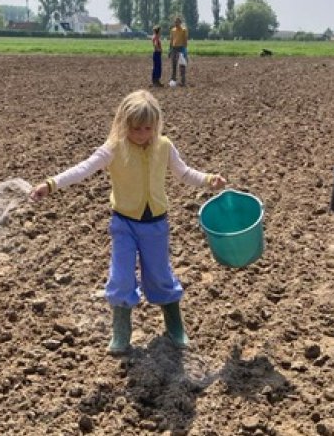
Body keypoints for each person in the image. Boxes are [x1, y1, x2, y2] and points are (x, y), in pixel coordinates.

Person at [30, 90, 226, 354]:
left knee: (159, 275)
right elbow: (83, 168)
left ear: (156, 125)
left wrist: (208, 179)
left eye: (148, 128)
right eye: (135, 129)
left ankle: (174, 326)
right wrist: (50, 185)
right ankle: (121, 331)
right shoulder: (114, 148)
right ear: (123, 124)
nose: (142, 134)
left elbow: (184, 173)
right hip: (124, 224)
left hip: (156, 224)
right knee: (121, 276)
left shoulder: (164, 146)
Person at [168, 16, 188, 87]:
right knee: (173, 65)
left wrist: (185, 50)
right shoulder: (173, 30)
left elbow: (185, 41)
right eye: (175, 22)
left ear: (180, 23)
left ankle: (183, 81)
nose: (176, 23)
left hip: (181, 48)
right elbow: (171, 40)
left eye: (177, 22)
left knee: (182, 65)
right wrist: (169, 50)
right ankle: (173, 80)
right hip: (174, 49)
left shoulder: (184, 30)